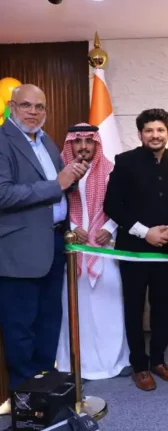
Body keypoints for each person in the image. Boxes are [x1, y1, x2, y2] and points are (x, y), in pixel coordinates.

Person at [0, 84, 88, 391]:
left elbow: (58, 184)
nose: (33, 112)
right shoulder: (3, 141)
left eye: (40, 107)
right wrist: (58, 184)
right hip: (18, 250)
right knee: (21, 329)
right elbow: (3, 194)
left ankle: (46, 394)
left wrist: (72, 177)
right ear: (12, 107)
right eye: (26, 105)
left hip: (53, 244)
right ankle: (26, 399)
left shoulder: (45, 140)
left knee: (49, 324)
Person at [104, 109, 168, 391]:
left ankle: (158, 360)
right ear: (140, 134)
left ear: (167, 132)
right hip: (133, 250)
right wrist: (145, 232)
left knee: (162, 306)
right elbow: (111, 205)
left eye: (160, 130)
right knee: (134, 307)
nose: (155, 135)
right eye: (149, 130)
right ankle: (140, 366)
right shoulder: (125, 161)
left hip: (166, 248)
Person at [56, 123, 130, 380]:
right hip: (73, 249)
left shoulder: (110, 170)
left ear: (96, 144)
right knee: (77, 308)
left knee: (108, 305)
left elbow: (123, 205)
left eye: (89, 141)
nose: (83, 147)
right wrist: (72, 227)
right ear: (71, 144)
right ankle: (78, 363)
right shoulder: (61, 173)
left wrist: (109, 228)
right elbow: (53, 204)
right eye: (78, 141)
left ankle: (113, 360)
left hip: (104, 249)